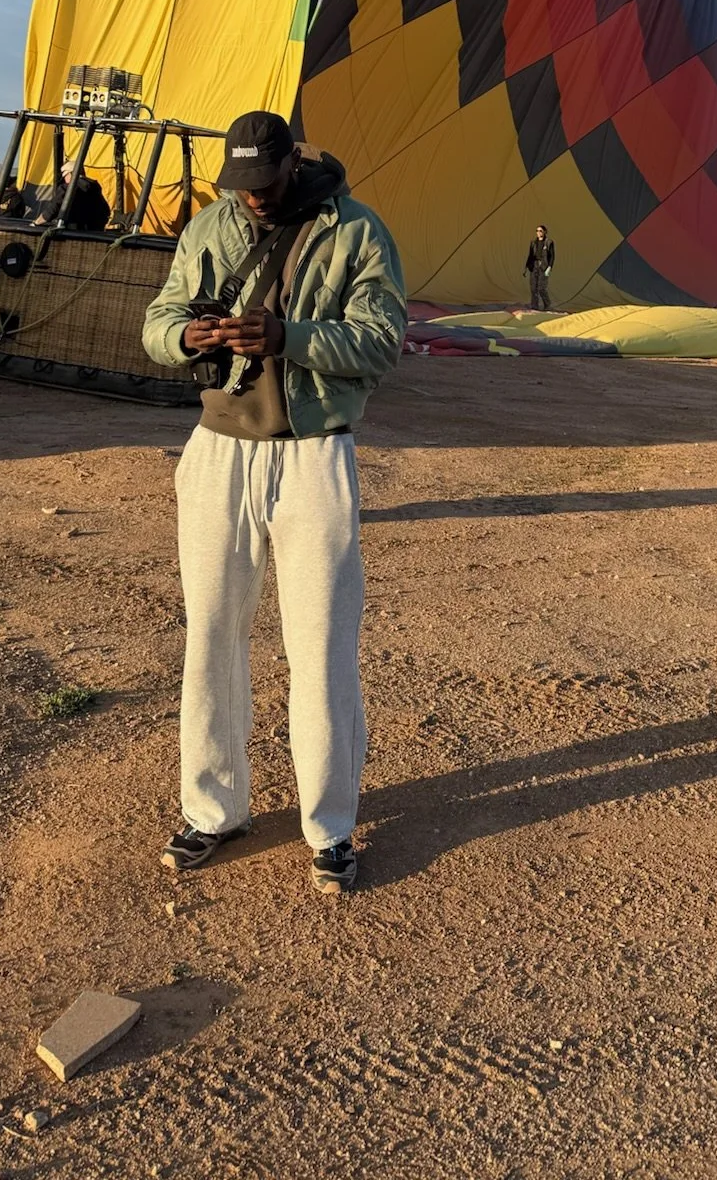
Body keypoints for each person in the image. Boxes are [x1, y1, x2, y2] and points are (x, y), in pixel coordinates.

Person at [142, 110, 407, 896]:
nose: (251, 199)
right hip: (218, 452)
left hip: (313, 455)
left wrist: (289, 336)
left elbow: (382, 340)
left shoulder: (357, 232)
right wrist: (189, 339)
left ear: (294, 162)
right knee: (211, 637)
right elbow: (156, 321)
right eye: (239, 185)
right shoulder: (210, 226)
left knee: (321, 647)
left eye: (264, 182)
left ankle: (329, 828)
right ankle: (213, 811)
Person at [40, 162, 109, 232]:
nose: (65, 180)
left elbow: (52, 209)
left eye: (65, 176)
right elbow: (106, 211)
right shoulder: (95, 188)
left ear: (71, 174)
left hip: (72, 236)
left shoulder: (66, 188)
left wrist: (37, 222)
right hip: (93, 236)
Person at [525, 223, 555, 311]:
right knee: (533, 287)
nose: (538, 233)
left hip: (543, 266)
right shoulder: (533, 243)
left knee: (541, 288)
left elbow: (552, 256)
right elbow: (530, 255)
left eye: (540, 231)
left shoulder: (549, 242)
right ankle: (534, 306)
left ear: (545, 232)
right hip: (534, 265)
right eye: (537, 231)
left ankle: (547, 304)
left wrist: (549, 267)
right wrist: (527, 266)